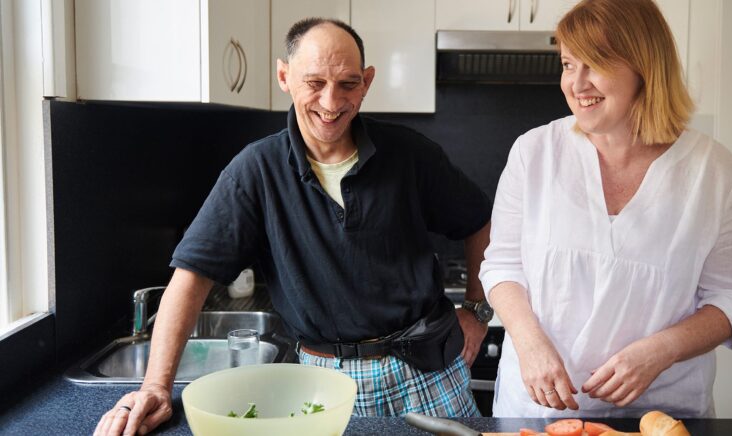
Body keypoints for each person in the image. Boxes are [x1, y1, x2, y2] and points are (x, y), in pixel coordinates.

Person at [96, 18, 492, 436]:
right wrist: (156, 387)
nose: (331, 101)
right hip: (324, 385)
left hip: (430, 372)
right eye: (315, 82)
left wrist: (478, 311)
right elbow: (190, 279)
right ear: (284, 76)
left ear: (367, 82)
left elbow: (479, 221)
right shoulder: (255, 171)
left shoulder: (412, 154)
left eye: (348, 84)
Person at [479, 0, 732, 419]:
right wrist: (529, 343)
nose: (577, 84)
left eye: (594, 64)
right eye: (568, 64)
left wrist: (661, 350)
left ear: (644, 67)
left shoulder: (715, 174)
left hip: (660, 415)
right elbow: (501, 264)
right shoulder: (534, 153)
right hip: (540, 412)